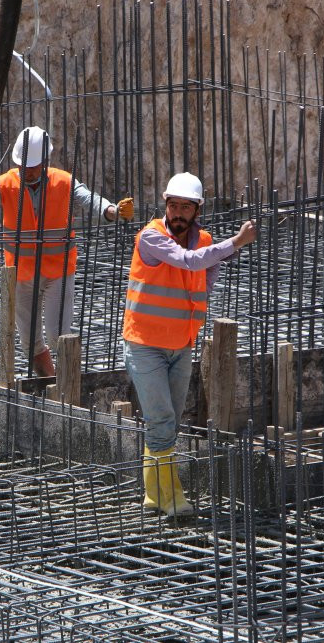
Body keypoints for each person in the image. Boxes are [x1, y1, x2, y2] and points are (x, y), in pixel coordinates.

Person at [122, 171, 258, 516]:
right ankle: (174, 497)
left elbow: (205, 271)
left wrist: (205, 285)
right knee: (163, 419)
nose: (178, 213)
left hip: (181, 343)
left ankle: (153, 496)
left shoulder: (204, 240)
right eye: (173, 206)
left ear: (197, 210)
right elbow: (189, 261)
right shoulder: (151, 237)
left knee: (167, 421)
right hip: (144, 343)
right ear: (165, 206)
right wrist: (236, 243)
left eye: (186, 207)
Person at [0, 125, 134, 376]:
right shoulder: (5, 182)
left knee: (60, 336)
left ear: (44, 162)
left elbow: (89, 198)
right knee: (29, 343)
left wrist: (111, 211)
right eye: (23, 166)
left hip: (58, 272)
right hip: (20, 274)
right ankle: (53, 385)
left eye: (33, 166)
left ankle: (68, 389)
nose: (27, 171)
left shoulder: (63, 181)